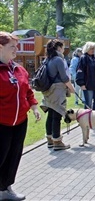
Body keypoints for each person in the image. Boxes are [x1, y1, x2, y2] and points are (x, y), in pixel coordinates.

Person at [0, 32, 41, 201]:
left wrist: (34, 107)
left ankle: (5, 189)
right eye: (12, 47)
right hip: (1, 124)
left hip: (20, 123)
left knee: (14, 156)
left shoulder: (19, 69)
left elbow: (28, 92)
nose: (16, 50)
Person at [40, 39, 75, 151]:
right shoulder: (58, 60)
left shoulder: (48, 59)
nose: (63, 50)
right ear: (58, 48)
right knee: (57, 115)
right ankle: (57, 141)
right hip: (57, 90)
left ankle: (50, 139)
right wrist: (71, 88)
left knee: (50, 115)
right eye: (63, 47)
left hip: (48, 90)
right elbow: (64, 78)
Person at [76, 42, 95, 110]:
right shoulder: (83, 58)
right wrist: (81, 84)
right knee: (88, 104)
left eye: (94, 48)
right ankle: (86, 119)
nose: (93, 50)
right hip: (88, 85)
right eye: (91, 48)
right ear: (87, 49)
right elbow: (80, 71)